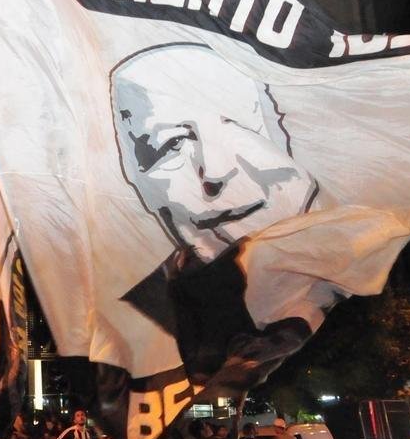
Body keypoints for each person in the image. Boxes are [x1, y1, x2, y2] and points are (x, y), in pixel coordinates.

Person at [112, 42, 322, 392]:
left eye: (241, 127)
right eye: (172, 145)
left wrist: (295, 327)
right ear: (134, 176)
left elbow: (328, 283)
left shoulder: (306, 243)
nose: (216, 173)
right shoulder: (127, 293)